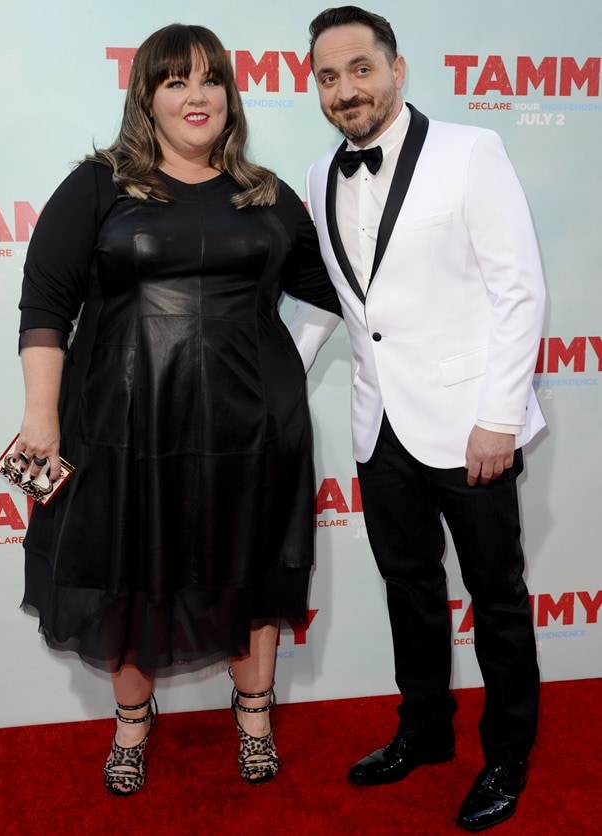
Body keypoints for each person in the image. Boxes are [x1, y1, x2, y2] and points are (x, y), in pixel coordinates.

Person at [16, 23, 341, 797]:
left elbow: (330, 295)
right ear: (147, 98)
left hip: (253, 433)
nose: (197, 96)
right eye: (175, 81)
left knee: (252, 566)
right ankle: (133, 722)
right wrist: (41, 416)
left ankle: (253, 715)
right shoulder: (99, 186)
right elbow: (45, 305)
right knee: (126, 566)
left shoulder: (266, 194)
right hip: (124, 431)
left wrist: (281, 370)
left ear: (231, 94)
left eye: (211, 80)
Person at [289, 6, 546, 831]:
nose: (345, 89)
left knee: (497, 598)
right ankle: (425, 731)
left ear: (397, 70)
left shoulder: (472, 151)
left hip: (473, 424)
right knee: (410, 590)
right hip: (380, 426)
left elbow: (519, 291)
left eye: (360, 69)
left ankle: (507, 756)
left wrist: (499, 418)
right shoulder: (321, 171)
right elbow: (333, 302)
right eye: (328, 77)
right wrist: (263, 384)